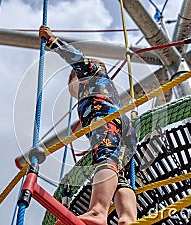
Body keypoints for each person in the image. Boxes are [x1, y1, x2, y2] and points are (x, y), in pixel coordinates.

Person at [39, 25, 137, 225]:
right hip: (121, 127)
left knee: (105, 158)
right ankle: (128, 218)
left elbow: (77, 59)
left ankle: (98, 212)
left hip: (106, 121)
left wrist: (52, 41)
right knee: (121, 177)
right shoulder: (104, 88)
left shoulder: (91, 74)